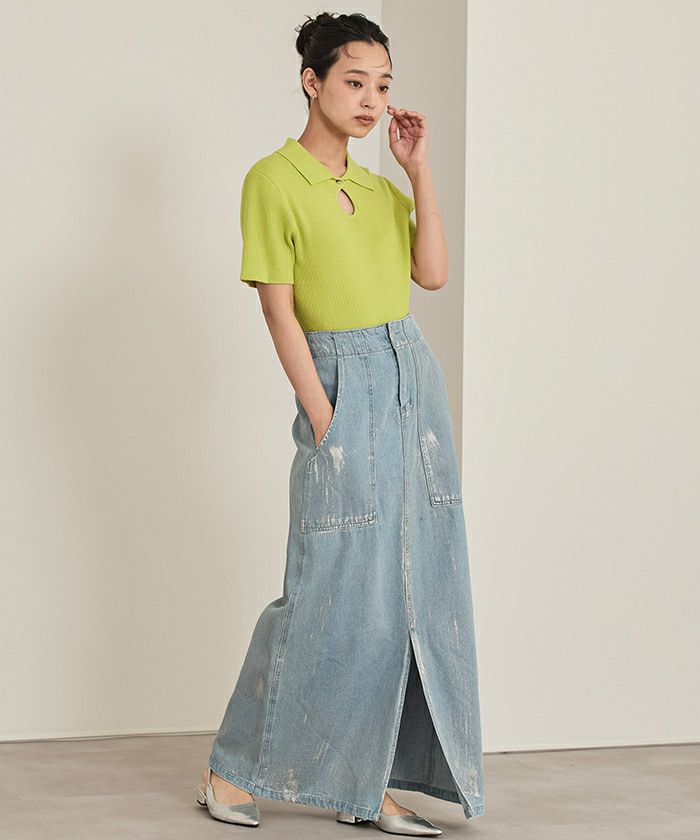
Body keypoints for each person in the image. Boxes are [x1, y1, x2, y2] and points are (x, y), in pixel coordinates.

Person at [196, 11, 484, 834]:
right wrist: (324, 419)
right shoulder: (273, 180)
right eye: (355, 81)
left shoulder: (380, 188)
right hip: (342, 385)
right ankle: (229, 769)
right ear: (311, 81)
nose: (371, 99)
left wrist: (418, 170)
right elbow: (279, 310)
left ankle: (368, 786)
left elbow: (432, 274)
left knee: (408, 592)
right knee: (326, 589)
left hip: (412, 385)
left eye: (382, 85)